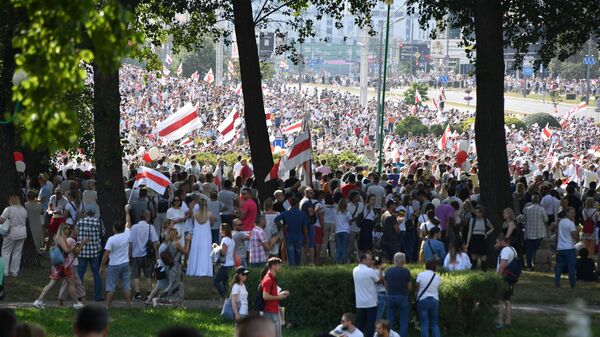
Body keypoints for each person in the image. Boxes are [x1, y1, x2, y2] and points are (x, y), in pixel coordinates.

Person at [33, 223, 86, 309]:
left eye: (69, 229)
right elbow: (67, 250)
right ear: (63, 229)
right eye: (67, 229)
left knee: (56, 283)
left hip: (61, 266)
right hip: (62, 266)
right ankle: (77, 303)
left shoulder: (61, 238)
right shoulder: (60, 238)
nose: (69, 230)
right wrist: (74, 247)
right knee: (69, 283)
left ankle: (39, 301)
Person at [100, 207, 132, 309]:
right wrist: (127, 211)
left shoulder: (111, 239)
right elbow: (128, 222)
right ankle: (129, 305)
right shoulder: (127, 234)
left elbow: (106, 254)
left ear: (114, 228)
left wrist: (101, 266)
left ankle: (108, 306)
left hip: (114, 264)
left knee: (111, 286)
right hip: (125, 263)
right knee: (126, 286)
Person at [129, 209, 159, 299]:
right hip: (148, 255)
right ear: (147, 217)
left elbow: (130, 242)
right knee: (149, 274)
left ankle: (137, 294)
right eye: (149, 216)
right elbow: (155, 242)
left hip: (135, 254)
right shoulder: (150, 227)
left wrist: (129, 254)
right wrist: (156, 254)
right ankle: (149, 292)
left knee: (136, 275)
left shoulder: (133, 227)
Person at [157, 228, 191, 307]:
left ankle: (178, 304)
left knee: (179, 285)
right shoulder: (176, 243)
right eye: (176, 233)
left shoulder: (171, 243)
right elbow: (185, 252)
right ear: (175, 234)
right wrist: (188, 241)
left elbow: (182, 250)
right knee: (173, 285)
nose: (178, 234)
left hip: (171, 267)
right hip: (175, 268)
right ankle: (161, 297)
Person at [353, 253, 381, 337]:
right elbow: (379, 280)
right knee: (370, 324)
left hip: (360, 302)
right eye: (369, 260)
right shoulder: (370, 271)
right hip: (371, 303)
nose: (371, 261)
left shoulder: (355, 270)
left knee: (360, 324)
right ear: (363, 260)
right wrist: (379, 270)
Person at [274, 197, 308, 266]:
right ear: (297, 204)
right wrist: (307, 237)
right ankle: (298, 267)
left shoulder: (286, 213)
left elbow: (276, 220)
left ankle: (292, 269)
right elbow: (304, 228)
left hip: (289, 236)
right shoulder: (303, 214)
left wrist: (283, 226)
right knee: (298, 255)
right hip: (299, 236)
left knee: (290, 255)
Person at [260, 257, 289, 337]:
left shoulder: (272, 279)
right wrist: (279, 297)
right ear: (273, 266)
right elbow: (265, 296)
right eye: (279, 265)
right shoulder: (268, 279)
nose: (280, 267)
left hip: (274, 311)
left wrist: (281, 294)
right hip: (269, 311)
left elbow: (271, 294)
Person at [1, 195, 28, 277]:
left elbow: (1, 220)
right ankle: (14, 271)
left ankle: (5, 271)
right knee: (17, 253)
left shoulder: (9, 209)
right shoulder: (23, 209)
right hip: (22, 233)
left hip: (11, 233)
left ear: (11, 201)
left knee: (6, 251)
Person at [384, 253, 411, 337]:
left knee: (389, 320)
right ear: (404, 261)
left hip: (391, 296)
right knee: (403, 321)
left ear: (394, 260)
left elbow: (385, 284)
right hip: (403, 296)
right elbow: (409, 287)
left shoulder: (388, 270)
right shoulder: (406, 271)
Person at [187, 199, 215, 277]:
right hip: (206, 235)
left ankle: (194, 269)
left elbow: (193, 223)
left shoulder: (194, 214)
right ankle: (205, 270)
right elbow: (212, 224)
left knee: (196, 251)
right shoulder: (210, 214)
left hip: (197, 236)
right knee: (206, 251)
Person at [495, 235, 517, 329]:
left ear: (501, 241)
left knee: (500, 300)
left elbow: (503, 265)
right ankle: (508, 322)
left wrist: (497, 277)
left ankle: (500, 322)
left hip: (503, 278)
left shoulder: (505, 250)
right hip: (510, 278)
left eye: (497, 242)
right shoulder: (513, 250)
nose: (496, 244)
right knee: (507, 301)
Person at [415, 260, 441, 337]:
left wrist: (415, 299)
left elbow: (417, 289)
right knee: (434, 324)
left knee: (424, 324)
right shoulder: (437, 277)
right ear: (435, 267)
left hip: (422, 300)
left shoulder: (421, 275)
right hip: (434, 300)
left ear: (426, 266)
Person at [522, 194, 548, 270]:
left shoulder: (527, 209)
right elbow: (546, 220)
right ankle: (536, 264)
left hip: (529, 232)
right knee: (537, 250)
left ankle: (529, 265)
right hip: (539, 233)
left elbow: (524, 219)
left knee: (529, 250)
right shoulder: (541, 209)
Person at [555, 207, 579, 288]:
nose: (574, 214)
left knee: (559, 266)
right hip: (569, 247)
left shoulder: (561, 222)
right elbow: (575, 235)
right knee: (571, 267)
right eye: (572, 212)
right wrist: (577, 231)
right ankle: (572, 284)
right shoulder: (570, 223)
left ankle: (557, 283)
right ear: (567, 213)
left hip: (560, 247)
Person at [465, 206, 494, 270]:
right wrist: (467, 242)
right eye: (476, 212)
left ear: (482, 213)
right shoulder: (472, 220)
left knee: (483, 255)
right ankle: (473, 269)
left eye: (479, 212)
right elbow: (469, 232)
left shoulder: (485, 220)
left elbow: (492, 228)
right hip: (474, 238)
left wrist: (487, 233)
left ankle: (484, 269)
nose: (477, 214)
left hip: (482, 238)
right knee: (474, 255)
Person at [213, 223, 236, 298]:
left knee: (216, 281)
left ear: (223, 231)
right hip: (231, 264)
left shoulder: (225, 239)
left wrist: (216, 247)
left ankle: (225, 295)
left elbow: (223, 252)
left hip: (225, 265)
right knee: (225, 283)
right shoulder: (231, 239)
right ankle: (228, 297)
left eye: (220, 229)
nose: (219, 231)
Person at [334, 198, 352, 264]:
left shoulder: (336, 212)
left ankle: (337, 262)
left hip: (338, 231)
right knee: (345, 248)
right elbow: (350, 222)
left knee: (338, 248)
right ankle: (344, 262)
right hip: (345, 231)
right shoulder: (347, 212)